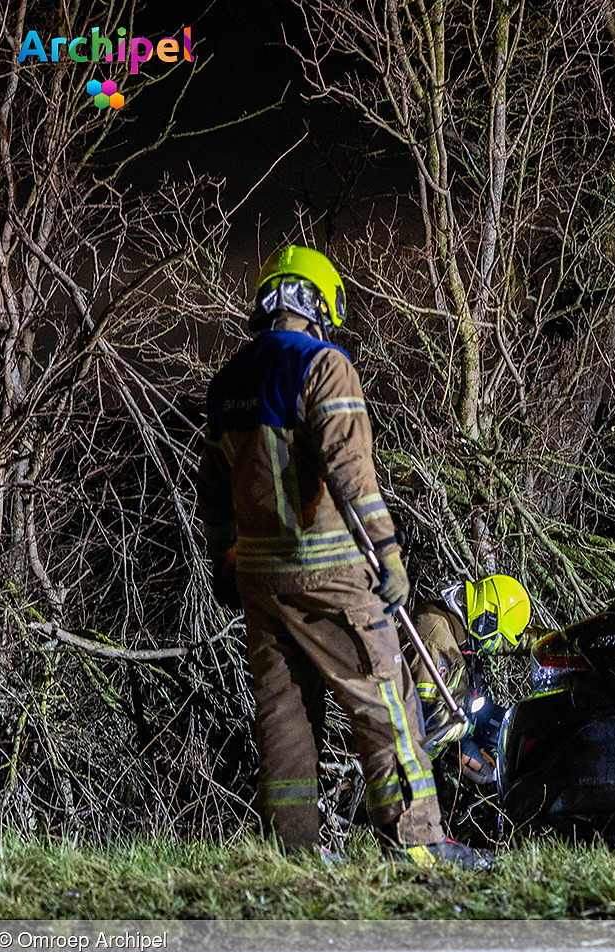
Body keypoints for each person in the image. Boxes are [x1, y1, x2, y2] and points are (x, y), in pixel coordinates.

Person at [196, 244, 487, 869]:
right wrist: (389, 554)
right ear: (320, 304)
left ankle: (295, 850)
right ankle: (417, 843)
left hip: (259, 580)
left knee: (283, 714)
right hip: (331, 573)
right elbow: (352, 474)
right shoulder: (324, 365)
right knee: (386, 701)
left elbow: (213, 495)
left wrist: (225, 562)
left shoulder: (227, 384)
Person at [409, 575, 531, 783]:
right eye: (494, 635)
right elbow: (426, 719)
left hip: (426, 756)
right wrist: (465, 733)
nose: (492, 643)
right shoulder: (435, 641)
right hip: (403, 761)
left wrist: (557, 640)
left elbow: (505, 641)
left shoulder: (459, 624)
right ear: (488, 620)